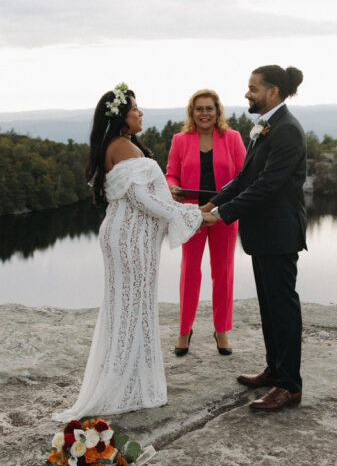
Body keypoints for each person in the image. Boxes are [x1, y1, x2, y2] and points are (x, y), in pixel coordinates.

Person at [53, 83, 214, 421]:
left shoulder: (119, 145)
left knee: (127, 308)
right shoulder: (123, 147)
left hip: (126, 235)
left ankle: (131, 384)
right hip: (130, 239)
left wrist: (185, 209)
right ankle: (122, 388)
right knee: (131, 310)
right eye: (136, 109)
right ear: (121, 118)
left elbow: (144, 197)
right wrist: (191, 215)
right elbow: (144, 200)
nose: (141, 113)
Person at [201, 65, 307, 412]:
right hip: (263, 233)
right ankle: (275, 371)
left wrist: (221, 215)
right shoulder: (267, 126)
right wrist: (214, 202)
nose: (248, 94)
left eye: (253, 88)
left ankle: (289, 386)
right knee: (269, 306)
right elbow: (246, 177)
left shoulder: (287, 130)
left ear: (273, 92)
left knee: (283, 309)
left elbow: (268, 185)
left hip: (279, 232)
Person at [165, 89, 247, 357]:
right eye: (199, 109)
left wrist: (225, 208)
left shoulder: (232, 138)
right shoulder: (180, 140)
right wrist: (173, 188)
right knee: (190, 271)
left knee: (222, 272)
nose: (204, 113)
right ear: (192, 112)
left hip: (223, 214)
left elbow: (243, 176)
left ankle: (221, 331)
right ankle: (184, 330)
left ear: (217, 111)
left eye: (209, 108)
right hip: (191, 215)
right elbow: (170, 175)